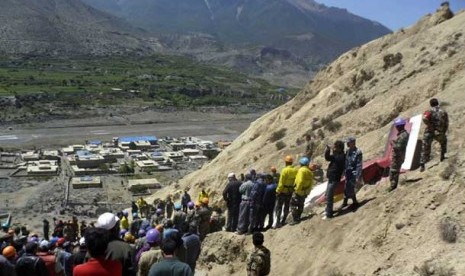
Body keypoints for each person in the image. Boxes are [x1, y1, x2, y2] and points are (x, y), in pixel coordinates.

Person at [420, 98, 449, 171]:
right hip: (439, 132)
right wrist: (443, 131)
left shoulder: (429, 111)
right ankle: (443, 157)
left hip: (429, 132)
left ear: (431, 104)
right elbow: (446, 123)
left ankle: (422, 164)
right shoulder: (443, 111)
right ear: (437, 103)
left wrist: (430, 125)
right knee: (443, 143)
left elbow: (424, 118)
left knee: (425, 147)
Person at [323, 140, 345, 220]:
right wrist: (328, 150)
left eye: (336, 147)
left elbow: (336, 159)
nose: (334, 148)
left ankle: (329, 214)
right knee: (327, 195)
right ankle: (328, 210)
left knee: (329, 196)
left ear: (339, 148)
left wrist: (333, 151)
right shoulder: (337, 155)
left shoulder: (342, 156)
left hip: (335, 178)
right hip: (331, 178)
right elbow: (328, 158)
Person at [274, 155, 298, 228]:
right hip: (290, 191)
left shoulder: (284, 170)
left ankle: (278, 222)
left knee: (279, 207)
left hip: (283, 191)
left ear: (286, 162)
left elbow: (281, 183)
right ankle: (283, 221)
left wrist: (278, 191)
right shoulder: (295, 170)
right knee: (287, 206)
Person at [290, 157, 314, 225]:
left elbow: (300, 181)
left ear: (301, 164)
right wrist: (307, 192)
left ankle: (295, 219)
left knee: (293, 204)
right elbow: (311, 183)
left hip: (298, 191)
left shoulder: (301, 170)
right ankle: (299, 217)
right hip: (304, 192)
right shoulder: (310, 172)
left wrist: (297, 190)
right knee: (301, 204)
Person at [389, 118, 410, 191]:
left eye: (397, 126)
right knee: (393, 171)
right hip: (398, 156)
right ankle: (393, 186)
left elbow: (398, 147)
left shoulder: (403, 135)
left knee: (394, 172)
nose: (396, 128)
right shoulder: (403, 135)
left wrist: (393, 143)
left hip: (398, 157)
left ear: (400, 126)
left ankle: (393, 187)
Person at [342, 137, 362, 209]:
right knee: (346, 187)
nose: (347, 144)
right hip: (348, 172)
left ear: (353, 143)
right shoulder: (347, 151)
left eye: (348, 143)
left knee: (351, 187)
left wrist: (358, 175)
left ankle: (354, 202)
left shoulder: (358, 152)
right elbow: (346, 162)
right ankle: (345, 202)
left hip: (354, 172)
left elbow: (359, 164)